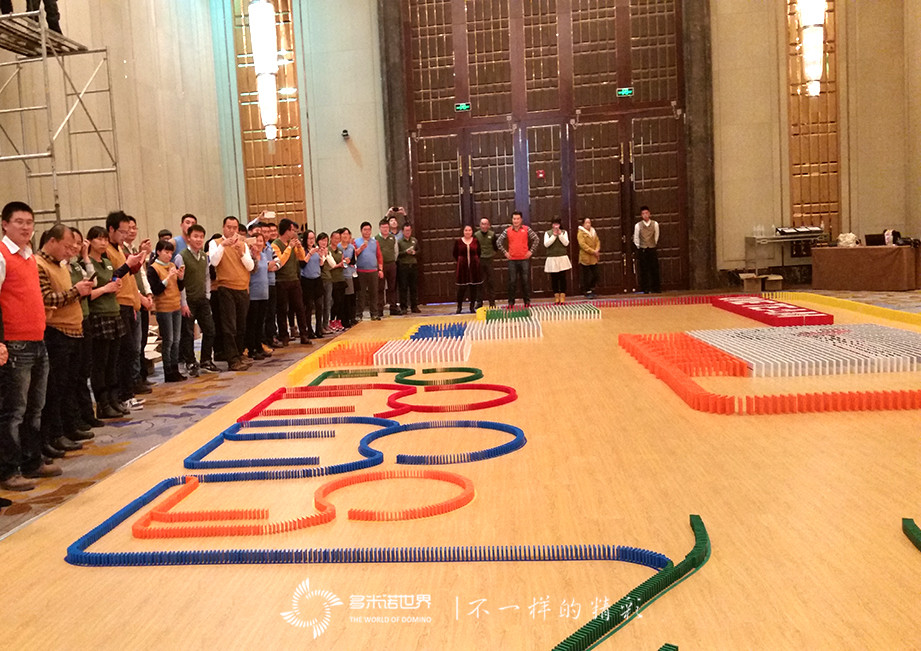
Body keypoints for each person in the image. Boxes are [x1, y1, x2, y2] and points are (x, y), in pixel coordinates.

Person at [0, 202, 59, 491]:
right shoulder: (1, 256)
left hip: (37, 340)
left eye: (29, 222)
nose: (26, 227)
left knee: (36, 407)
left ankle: (32, 460)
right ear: (4, 224)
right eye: (19, 222)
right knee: (14, 411)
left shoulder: (29, 257)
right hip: (14, 343)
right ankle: (8, 470)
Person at [36, 223, 94, 456]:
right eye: (67, 247)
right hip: (56, 332)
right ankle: (54, 435)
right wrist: (76, 291)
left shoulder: (60, 265)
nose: (70, 251)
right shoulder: (39, 265)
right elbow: (47, 298)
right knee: (55, 389)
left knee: (70, 384)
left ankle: (68, 428)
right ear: (52, 241)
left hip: (73, 329)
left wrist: (79, 291)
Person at [105, 212, 149, 409]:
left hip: (130, 303)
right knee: (125, 351)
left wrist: (138, 259)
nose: (125, 235)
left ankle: (128, 393)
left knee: (131, 350)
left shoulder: (119, 248)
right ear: (111, 229)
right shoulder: (107, 250)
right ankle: (122, 395)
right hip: (119, 304)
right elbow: (113, 276)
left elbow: (130, 273)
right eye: (122, 231)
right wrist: (128, 264)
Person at [209, 216, 254, 371]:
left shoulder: (243, 244)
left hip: (242, 288)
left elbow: (250, 266)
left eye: (234, 228)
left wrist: (241, 252)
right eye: (229, 227)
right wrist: (223, 245)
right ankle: (232, 359)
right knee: (229, 325)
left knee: (241, 325)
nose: (232, 230)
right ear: (223, 228)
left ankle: (239, 354)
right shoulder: (215, 243)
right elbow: (214, 262)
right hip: (226, 287)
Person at [177, 224, 219, 374]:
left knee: (210, 330)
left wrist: (207, 295)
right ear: (189, 238)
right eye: (195, 236)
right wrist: (183, 303)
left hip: (202, 300)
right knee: (188, 333)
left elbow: (207, 276)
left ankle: (206, 360)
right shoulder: (181, 256)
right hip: (188, 301)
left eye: (201, 237)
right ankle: (190, 362)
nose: (199, 239)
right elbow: (179, 281)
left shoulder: (204, 256)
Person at [147, 239, 186, 381]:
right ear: (158, 252)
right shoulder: (153, 268)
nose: (169, 255)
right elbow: (156, 290)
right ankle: (168, 371)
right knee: (168, 341)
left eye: (171, 253)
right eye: (166, 252)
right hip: (164, 308)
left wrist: (180, 278)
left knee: (176, 340)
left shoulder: (172, 265)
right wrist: (168, 277)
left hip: (176, 306)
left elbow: (179, 287)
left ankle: (175, 369)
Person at [272, 218, 311, 345]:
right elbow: (280, 262)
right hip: (281, 280)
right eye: (292, 230)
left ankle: (304, 335)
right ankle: (284, 336)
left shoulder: (292, 243)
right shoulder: (275, 245)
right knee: (282, 310)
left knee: (300, 308)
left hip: (294, 279)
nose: (294, 233)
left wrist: (299, 247)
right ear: (286, 230)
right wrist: (289, 247)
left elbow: (301, 258)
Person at [496, 211, 538, 308]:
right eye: (514, 219)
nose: (516, 221)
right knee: (512, 282)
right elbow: (498, 242)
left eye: (518, 219)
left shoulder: (527, 229)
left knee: (525, 281)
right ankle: (511, 303)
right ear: (512, 220)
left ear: (521, 220)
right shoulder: (507, 230)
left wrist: (531, 251)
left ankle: (527, 302)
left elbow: (536, 239)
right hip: (512, 260)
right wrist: (505, 253)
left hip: (524, 259)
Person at [245, 232, 271, 360]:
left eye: (261, 241)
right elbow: (252, 270)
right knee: (252, 323)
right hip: (253, 294)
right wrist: (254, 256)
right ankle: (251, 349)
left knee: (261, 322)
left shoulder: (265, 256)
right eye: (256, 241)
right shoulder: (249, 257)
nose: (258, 243)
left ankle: (259, 346)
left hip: (264, 293)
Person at [354, 221, 383, 321]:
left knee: (374, 293)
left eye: (369, 230)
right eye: (365, 230)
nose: (367, 232)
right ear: (361, 231)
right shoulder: (356, 242)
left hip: (373, 271)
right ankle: (359, 314)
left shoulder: (375, 242)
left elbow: (379, 256)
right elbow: (353, 255)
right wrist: (361, 248)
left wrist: (380, 269)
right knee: (361, 294)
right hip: (361, 271)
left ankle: (374, 314)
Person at [299, 230, 324, 339]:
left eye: (313, 238)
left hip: (317, 279)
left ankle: (319, 329)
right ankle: (309, 330)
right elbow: (302, 264)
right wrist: (310, 254)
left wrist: (321, 257)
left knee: (319, 305)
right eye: (309, 238)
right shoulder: (302, 250)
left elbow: (321, 266)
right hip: (306, 280)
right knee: (308, 306)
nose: (311, 240)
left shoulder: (317, 249)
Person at [544, 217, 572, 304]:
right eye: (554, 224)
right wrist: (554, 236)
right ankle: (556, 296)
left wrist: (560, 235)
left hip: (562, 258)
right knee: (554, 278)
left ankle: (563, 296)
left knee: (562, 277)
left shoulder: (564, 232)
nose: (556, 226)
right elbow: (546, 244)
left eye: (557, 224)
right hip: (552, 258)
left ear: (560, 225)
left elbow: (566, 243)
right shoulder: (547, 233)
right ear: (552, 224)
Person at [453, 225, 481, 314]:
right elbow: (455, 253)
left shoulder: (476, 241)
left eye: (469, 230)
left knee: (473, 288)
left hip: (473, 267)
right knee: (462, 288)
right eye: (466, 230)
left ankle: (472, 307)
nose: (468, 232)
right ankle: (459, 307)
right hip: (463, 267)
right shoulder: (458, 242)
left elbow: (479, 252)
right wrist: (461, 261)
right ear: (463, 231)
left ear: (472, 231)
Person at [633, 205, 661, 293]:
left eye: (646, 213)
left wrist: (652, 244)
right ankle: (645, 288)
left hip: (652, 248)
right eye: (643, 213)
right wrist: (639, 246)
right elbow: (636, 238)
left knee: (654, 269)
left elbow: (656, 236)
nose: (645, 215)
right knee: (644, 270)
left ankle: (656, 288)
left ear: (649, 214)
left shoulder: (655, 224)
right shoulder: (638, 225)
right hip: (643, 249)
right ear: (641, 215)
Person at [375, 217, 399, 316]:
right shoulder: (375, 239)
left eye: (386, 227)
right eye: (383, 227)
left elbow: (396, 252)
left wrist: (392, 260)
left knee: (392, 287)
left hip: (391, 264)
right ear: (380, 228)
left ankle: (393, 307)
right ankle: (379, 308)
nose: (385, 229)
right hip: (380, 266)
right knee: (380, 287)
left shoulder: (393, 238)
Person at [473, 217, 498, 308]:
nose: (484, 226)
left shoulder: (492, 235)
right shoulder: (476, 235)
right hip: (480, 261)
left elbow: (496, 247)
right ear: (480, 225)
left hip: (489, 260)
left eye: (486, 224)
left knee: (491, 282)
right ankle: (479, 302)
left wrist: (491, 254)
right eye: (482, 224)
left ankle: (492, 302)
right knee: (480, 282)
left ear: (489, 225)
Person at [397, 222, 420, 314]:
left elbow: (419, 250)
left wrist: (415, 252)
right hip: (403, 266)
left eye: (409, 230)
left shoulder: (414, 240)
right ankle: (404, 307)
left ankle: (414, 306)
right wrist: (405, 252)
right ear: (402, 231)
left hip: (413, 266)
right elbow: (397, 254)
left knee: (413, 287)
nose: (408, 232)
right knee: (403, 287)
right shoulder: (399, 242)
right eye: (406, 230)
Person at [577, 217, 601, 298]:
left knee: (596, 275)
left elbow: (597, 241)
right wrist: (593, 251)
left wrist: (597, 249)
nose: (588, 224)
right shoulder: (581, 233)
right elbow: (583, 245)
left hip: (594, 257)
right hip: (585, 257)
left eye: (589, 222)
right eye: (586, 223)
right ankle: (587, 291)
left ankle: (591, 288)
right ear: (583, 224)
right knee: (586, 276)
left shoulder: (593, 231)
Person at [339, 227, 357, 327]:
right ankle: (343, 320)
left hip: (350, 274)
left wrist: (350, 261)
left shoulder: (352, 247)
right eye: (343, 234)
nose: (345, 236)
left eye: (347, 234)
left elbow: (354, 261)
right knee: (342, 299)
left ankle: (351, 318)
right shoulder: (338, 247)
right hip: (340, 275)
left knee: (350, 297)